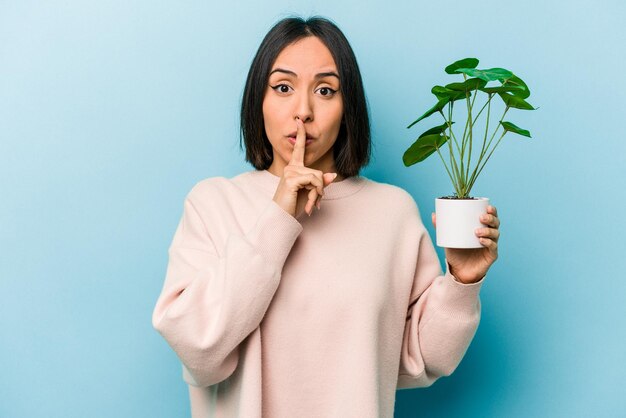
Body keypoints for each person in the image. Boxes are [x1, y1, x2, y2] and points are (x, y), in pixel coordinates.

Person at [152, 15, 500, 418]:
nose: (303, 111)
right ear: (257, 102)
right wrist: (279, 217)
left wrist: (462, 281)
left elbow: (418, 358)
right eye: (283, 87)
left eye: (325, 90)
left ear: (347, 105)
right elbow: (198, 349)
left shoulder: (392, 212)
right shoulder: (214, 203)